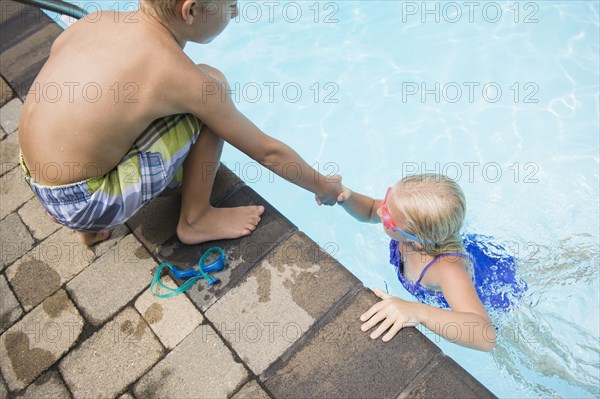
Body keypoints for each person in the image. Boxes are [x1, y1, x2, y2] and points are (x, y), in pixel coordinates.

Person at [18, 0, 341, 246]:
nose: (236, 14)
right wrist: (325, 187)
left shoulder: (95, 20)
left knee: (111, 114)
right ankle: (196, 218)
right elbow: (268, 152)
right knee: (212, 85)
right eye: (230, 6)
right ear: (191, 10)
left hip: (38, 178)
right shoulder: (172, 73)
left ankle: (88, 230)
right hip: (88, 201)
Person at [334, 174, 496, 351]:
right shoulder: (404, 217)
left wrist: (418, 312)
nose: (381, 211)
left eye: (388, 217)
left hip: (492, 291)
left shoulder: (446, 269)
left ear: (416, 241)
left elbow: (485, 337)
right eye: (387, 198)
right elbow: (371, 209)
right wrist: (346, 196)